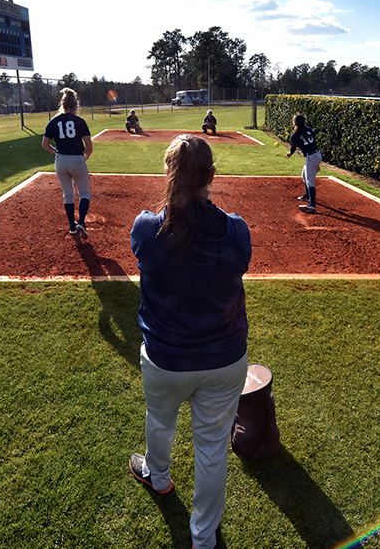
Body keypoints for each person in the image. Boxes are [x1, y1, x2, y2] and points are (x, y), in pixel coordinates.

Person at [129, 134, 251, 549]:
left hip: (165, 357)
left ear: (169, 172)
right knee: (213, 448)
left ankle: (157, 476)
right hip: (225, 358)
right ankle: (204, 540)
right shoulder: (236, 230)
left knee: (160, 422)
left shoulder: (146, 228)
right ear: (211, 176)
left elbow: (151, 254)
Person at [41, 88, 93, 237]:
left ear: (62, 105)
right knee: (84, 193)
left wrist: (56, 151)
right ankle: (81, 222)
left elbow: (45, 145)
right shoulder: (80, 121)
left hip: (60, 161)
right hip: (77, 159)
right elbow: (89, 147)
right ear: (75, 106)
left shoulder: (53, 121)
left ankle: (71, 226)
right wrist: (84, 158)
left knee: (68, 195)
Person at [286, 112, 322, 213]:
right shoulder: (309, 129)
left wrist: (290, 153)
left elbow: (293, 147)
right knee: (304, 175)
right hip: (317, 155)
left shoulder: (295, 135)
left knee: (310, 181)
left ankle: (312, 205)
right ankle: (307, 196)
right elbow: (312, 141)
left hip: (311, 157)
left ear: (295, 123)